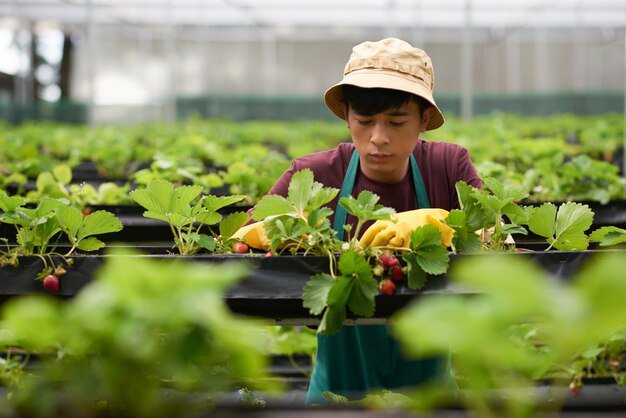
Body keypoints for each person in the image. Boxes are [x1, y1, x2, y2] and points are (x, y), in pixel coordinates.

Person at [234, 37, 482, 404]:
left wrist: (442, 221)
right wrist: (281, 233)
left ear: (424, 118)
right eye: (364, 121)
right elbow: (240, 243)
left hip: (430, 401)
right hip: (335, 399)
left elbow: (498, 241)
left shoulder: (448, 166)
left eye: (396, 121)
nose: (378, 138)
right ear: (347, 115)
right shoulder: (314, 174)